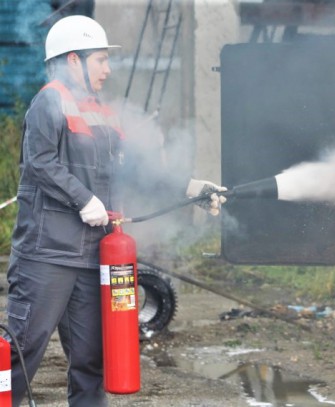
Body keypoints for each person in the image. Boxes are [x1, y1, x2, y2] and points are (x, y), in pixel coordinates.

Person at [4, 15, 225, 406]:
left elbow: (134, 167)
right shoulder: (49, 101)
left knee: (91, 362)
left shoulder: (103, 112)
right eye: (100, 60)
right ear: (73, 60)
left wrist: (191, 188)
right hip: (47, 256)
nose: (108, 69)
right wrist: (84, 199)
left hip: (93, 257)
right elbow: (39, 163)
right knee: (21, 352)